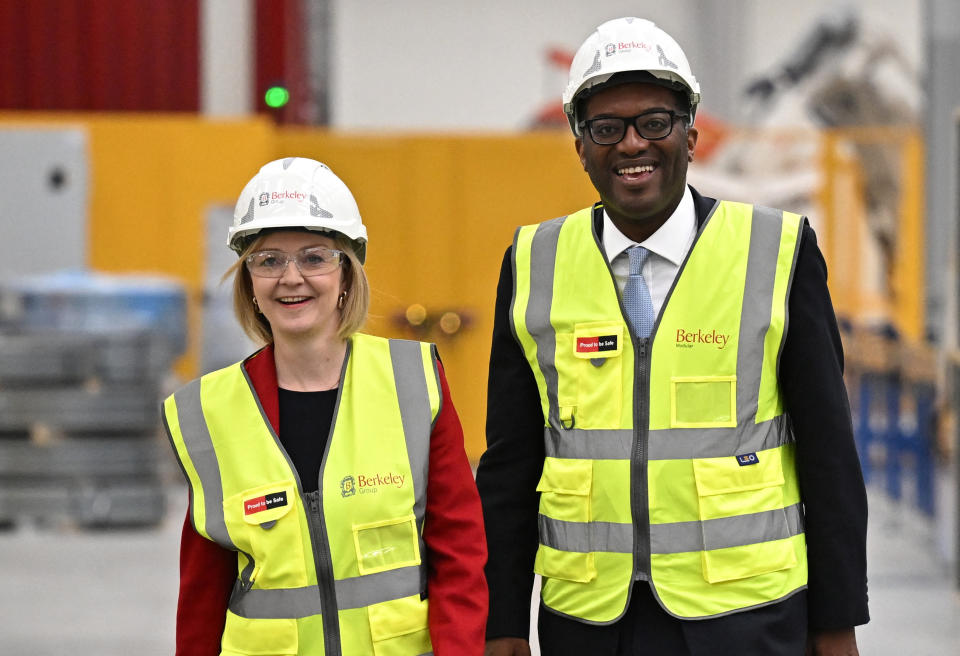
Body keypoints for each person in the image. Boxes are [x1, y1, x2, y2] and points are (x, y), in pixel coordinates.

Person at [476, 18, 868, 656]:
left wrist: (836, 625)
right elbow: (512, 464)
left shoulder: (777, 252)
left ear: (691, 131)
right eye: (607, 128)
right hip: (590, 624)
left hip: (747, 620)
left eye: (654, 122)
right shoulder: (533, 262)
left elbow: (828, 455)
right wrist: (502, 625)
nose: (632, 144)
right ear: (579, 144)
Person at [162, 157, 487, 655]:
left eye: (314, 257)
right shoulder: (208, 412)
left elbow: (460, 558)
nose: (291, 277)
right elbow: (202, 596)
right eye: (268, 260)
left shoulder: (413, 382)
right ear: (248, 280)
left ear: (347, 274)